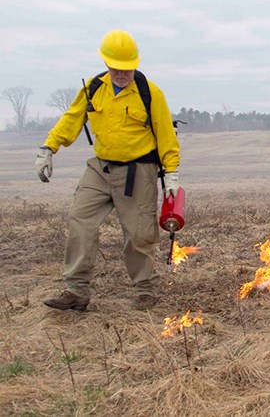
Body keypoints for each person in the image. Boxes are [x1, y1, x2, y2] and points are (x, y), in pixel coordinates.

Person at [35, 29, 181, 312]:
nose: (122, 74)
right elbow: (71, 120)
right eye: (116, 68)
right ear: (106, 63)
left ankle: (145, 291)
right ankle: (76, 291)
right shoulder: (93, 87)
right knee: (80, 219)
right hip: (100, 168)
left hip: (138, 171)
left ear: (135, 64)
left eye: (127, 68)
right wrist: (48, 148)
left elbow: (166, 135)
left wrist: (172, 172)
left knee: (139, 235)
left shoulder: (150, 93)